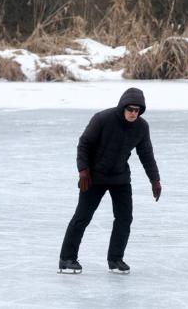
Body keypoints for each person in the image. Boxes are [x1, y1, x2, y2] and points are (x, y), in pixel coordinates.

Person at [58, 87, 162, 275]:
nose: (133, 113)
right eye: (130, 109)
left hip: (120, 178)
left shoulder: (141, 127)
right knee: (82, 217)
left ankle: (115, 259)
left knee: (124, 218)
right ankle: (67, 259)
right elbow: (84, 144)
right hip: (94, 177)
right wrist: (83, 171)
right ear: (123, 106)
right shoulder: (102, 119)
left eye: (137, 110)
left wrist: (155, 180)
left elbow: (146, 155)